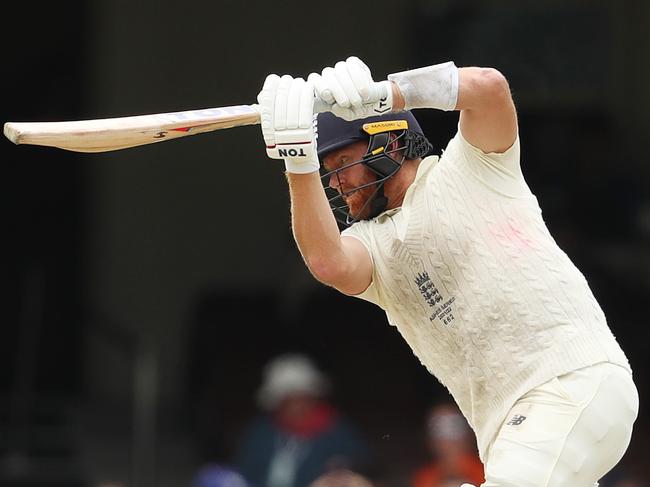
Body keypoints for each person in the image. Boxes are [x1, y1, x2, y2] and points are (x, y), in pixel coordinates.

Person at [255, 56, 639, 487]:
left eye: (340, 164)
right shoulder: (374, 247)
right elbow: (328, 262)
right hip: (511, 430)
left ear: (390, 145)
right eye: (325, 173)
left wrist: (388, 94)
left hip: (569, 382)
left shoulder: (473, 167)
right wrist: (297, 160)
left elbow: (489, 87)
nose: (335, 184)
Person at [235, 353, 371, 487]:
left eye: (302, 397)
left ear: (314, 397)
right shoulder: (260, 432)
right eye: (288, 399)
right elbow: (243, 472)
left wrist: (344, 470)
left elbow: (365, 466)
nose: (296, 406)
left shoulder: (339, 431)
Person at [411, 403, 484, 487]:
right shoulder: (424, 478)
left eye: (454, 427)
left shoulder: (488, 473)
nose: (448, 440)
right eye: (439, 430)